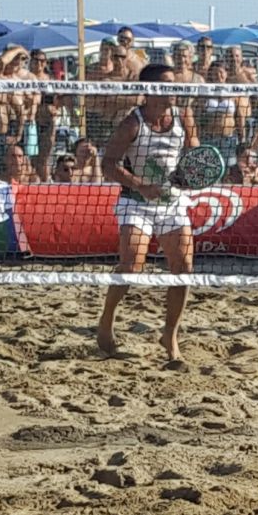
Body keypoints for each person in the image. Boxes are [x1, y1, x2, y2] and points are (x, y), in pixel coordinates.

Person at [98, 64, 196, 364]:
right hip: (135, 201)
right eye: (168, 84)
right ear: (151, 90)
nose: (174, 90)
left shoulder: (183, 117)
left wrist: (186, 176)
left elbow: (195, 154)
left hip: (171, 200)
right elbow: (108, 165)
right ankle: (106, 319)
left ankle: (170, 335)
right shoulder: (132, 123)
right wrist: (141, 185)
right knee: (131, 264)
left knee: (184, 268)